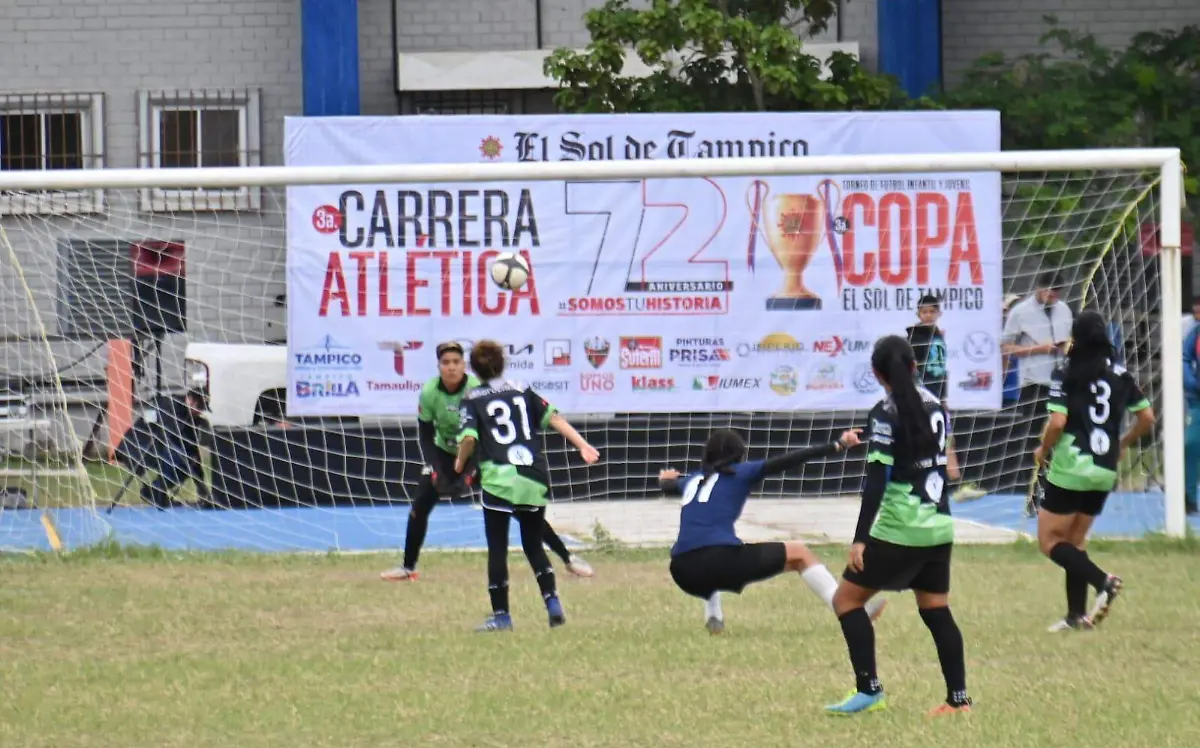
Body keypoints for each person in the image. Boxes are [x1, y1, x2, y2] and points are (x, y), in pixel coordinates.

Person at [824, 335, 971, 717]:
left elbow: (877, 479)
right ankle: (959, 700)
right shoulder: (936, 404)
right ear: (914, 367)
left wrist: (860, 539)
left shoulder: (885, 411)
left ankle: (868, 690)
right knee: (936, 609)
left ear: (876, 373)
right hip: (939, 523)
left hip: (900, 526)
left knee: (846, 600)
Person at [381, 341, 594, 581]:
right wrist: (434, 467)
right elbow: (425, 434)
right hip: (445, 453)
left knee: (521, 510)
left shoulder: (475, 390)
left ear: (464, 365)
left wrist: (470, 469)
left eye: (456, 362)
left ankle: (567, 558)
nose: (451, 367)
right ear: (439, 366)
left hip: (478, 453)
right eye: (445, 363)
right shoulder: (430, 391)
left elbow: (481, 436)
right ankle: (408, 567)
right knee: (419, 507)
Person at [658, 428, 887, 635]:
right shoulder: (741, 472)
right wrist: (838, 445)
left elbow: (668, 486)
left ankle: (714, 616)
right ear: (738, 455)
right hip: (717, 560)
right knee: (799, 554)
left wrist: (666, 479)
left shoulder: (692, 479)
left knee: (710, 556)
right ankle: (853, 612)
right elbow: (789, 460)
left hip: (681, 570)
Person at [455, 340, 601, 632]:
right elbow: (554, 418)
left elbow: (469, 438)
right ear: (504, 364)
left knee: (497, 549)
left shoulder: (472, 398)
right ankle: (552, 602)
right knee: (533, 544)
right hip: (533, 474)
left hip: (498, 478)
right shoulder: (522, 389)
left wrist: (459, 465)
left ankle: (501, 616)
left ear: (473, 369)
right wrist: (583, 445)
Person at [1033, 311, 1156, 631]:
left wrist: (1043, 450)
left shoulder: (1067, 370)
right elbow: (1147, 417)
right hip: (1104, 469)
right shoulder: (1121, 373)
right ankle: (1075, 616)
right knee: (1075, 542)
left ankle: (1103, 581)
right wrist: (1124, 443)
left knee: (1049, 542)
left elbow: (1057, 423)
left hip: (1073, 465)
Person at [1002, 272, 1073, 507]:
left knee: (1060, 439)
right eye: (1047, 292)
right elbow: (1005, 347)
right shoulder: (1020, 312)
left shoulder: (1064, 310)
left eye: (1056, 293)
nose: (1051, 296)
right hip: (1034, 384)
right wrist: (1038, 349)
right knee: (1034, 439)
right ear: (1038, 289)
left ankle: (1059, 492)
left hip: (1061, 383)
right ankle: (1032, 494)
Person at [115, 389, 210, 508]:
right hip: (139, 446)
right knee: (181, 457)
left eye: (202, 409)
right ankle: (157, 490)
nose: (199, 411)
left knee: (190, 460)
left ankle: (154, 491)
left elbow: (193, 451)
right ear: (190, 399)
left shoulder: (192, 418)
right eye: (199, 406)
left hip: (160, 447)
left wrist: (203, 491)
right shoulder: (169, 404)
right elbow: (170, 436)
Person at [906, 294, 965, 485]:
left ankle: (954, 480)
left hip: (938, 393)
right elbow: (912, 367)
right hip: (923, 393)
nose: (928, 315)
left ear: (939, 313)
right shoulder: (915, 335)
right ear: (918, 313)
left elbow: (941, 367)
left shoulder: (938, 333)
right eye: (924, 312)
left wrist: (945, 396)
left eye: (932, 311)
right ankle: (919, 477)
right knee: (924, 436)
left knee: (947, 435)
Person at [1183, 307, 1200, 516]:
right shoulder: (1195, 333)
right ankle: (1188, 498)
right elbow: (1184, 357)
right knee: (1191, 444)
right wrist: (1190, 381)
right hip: (1198, 400)